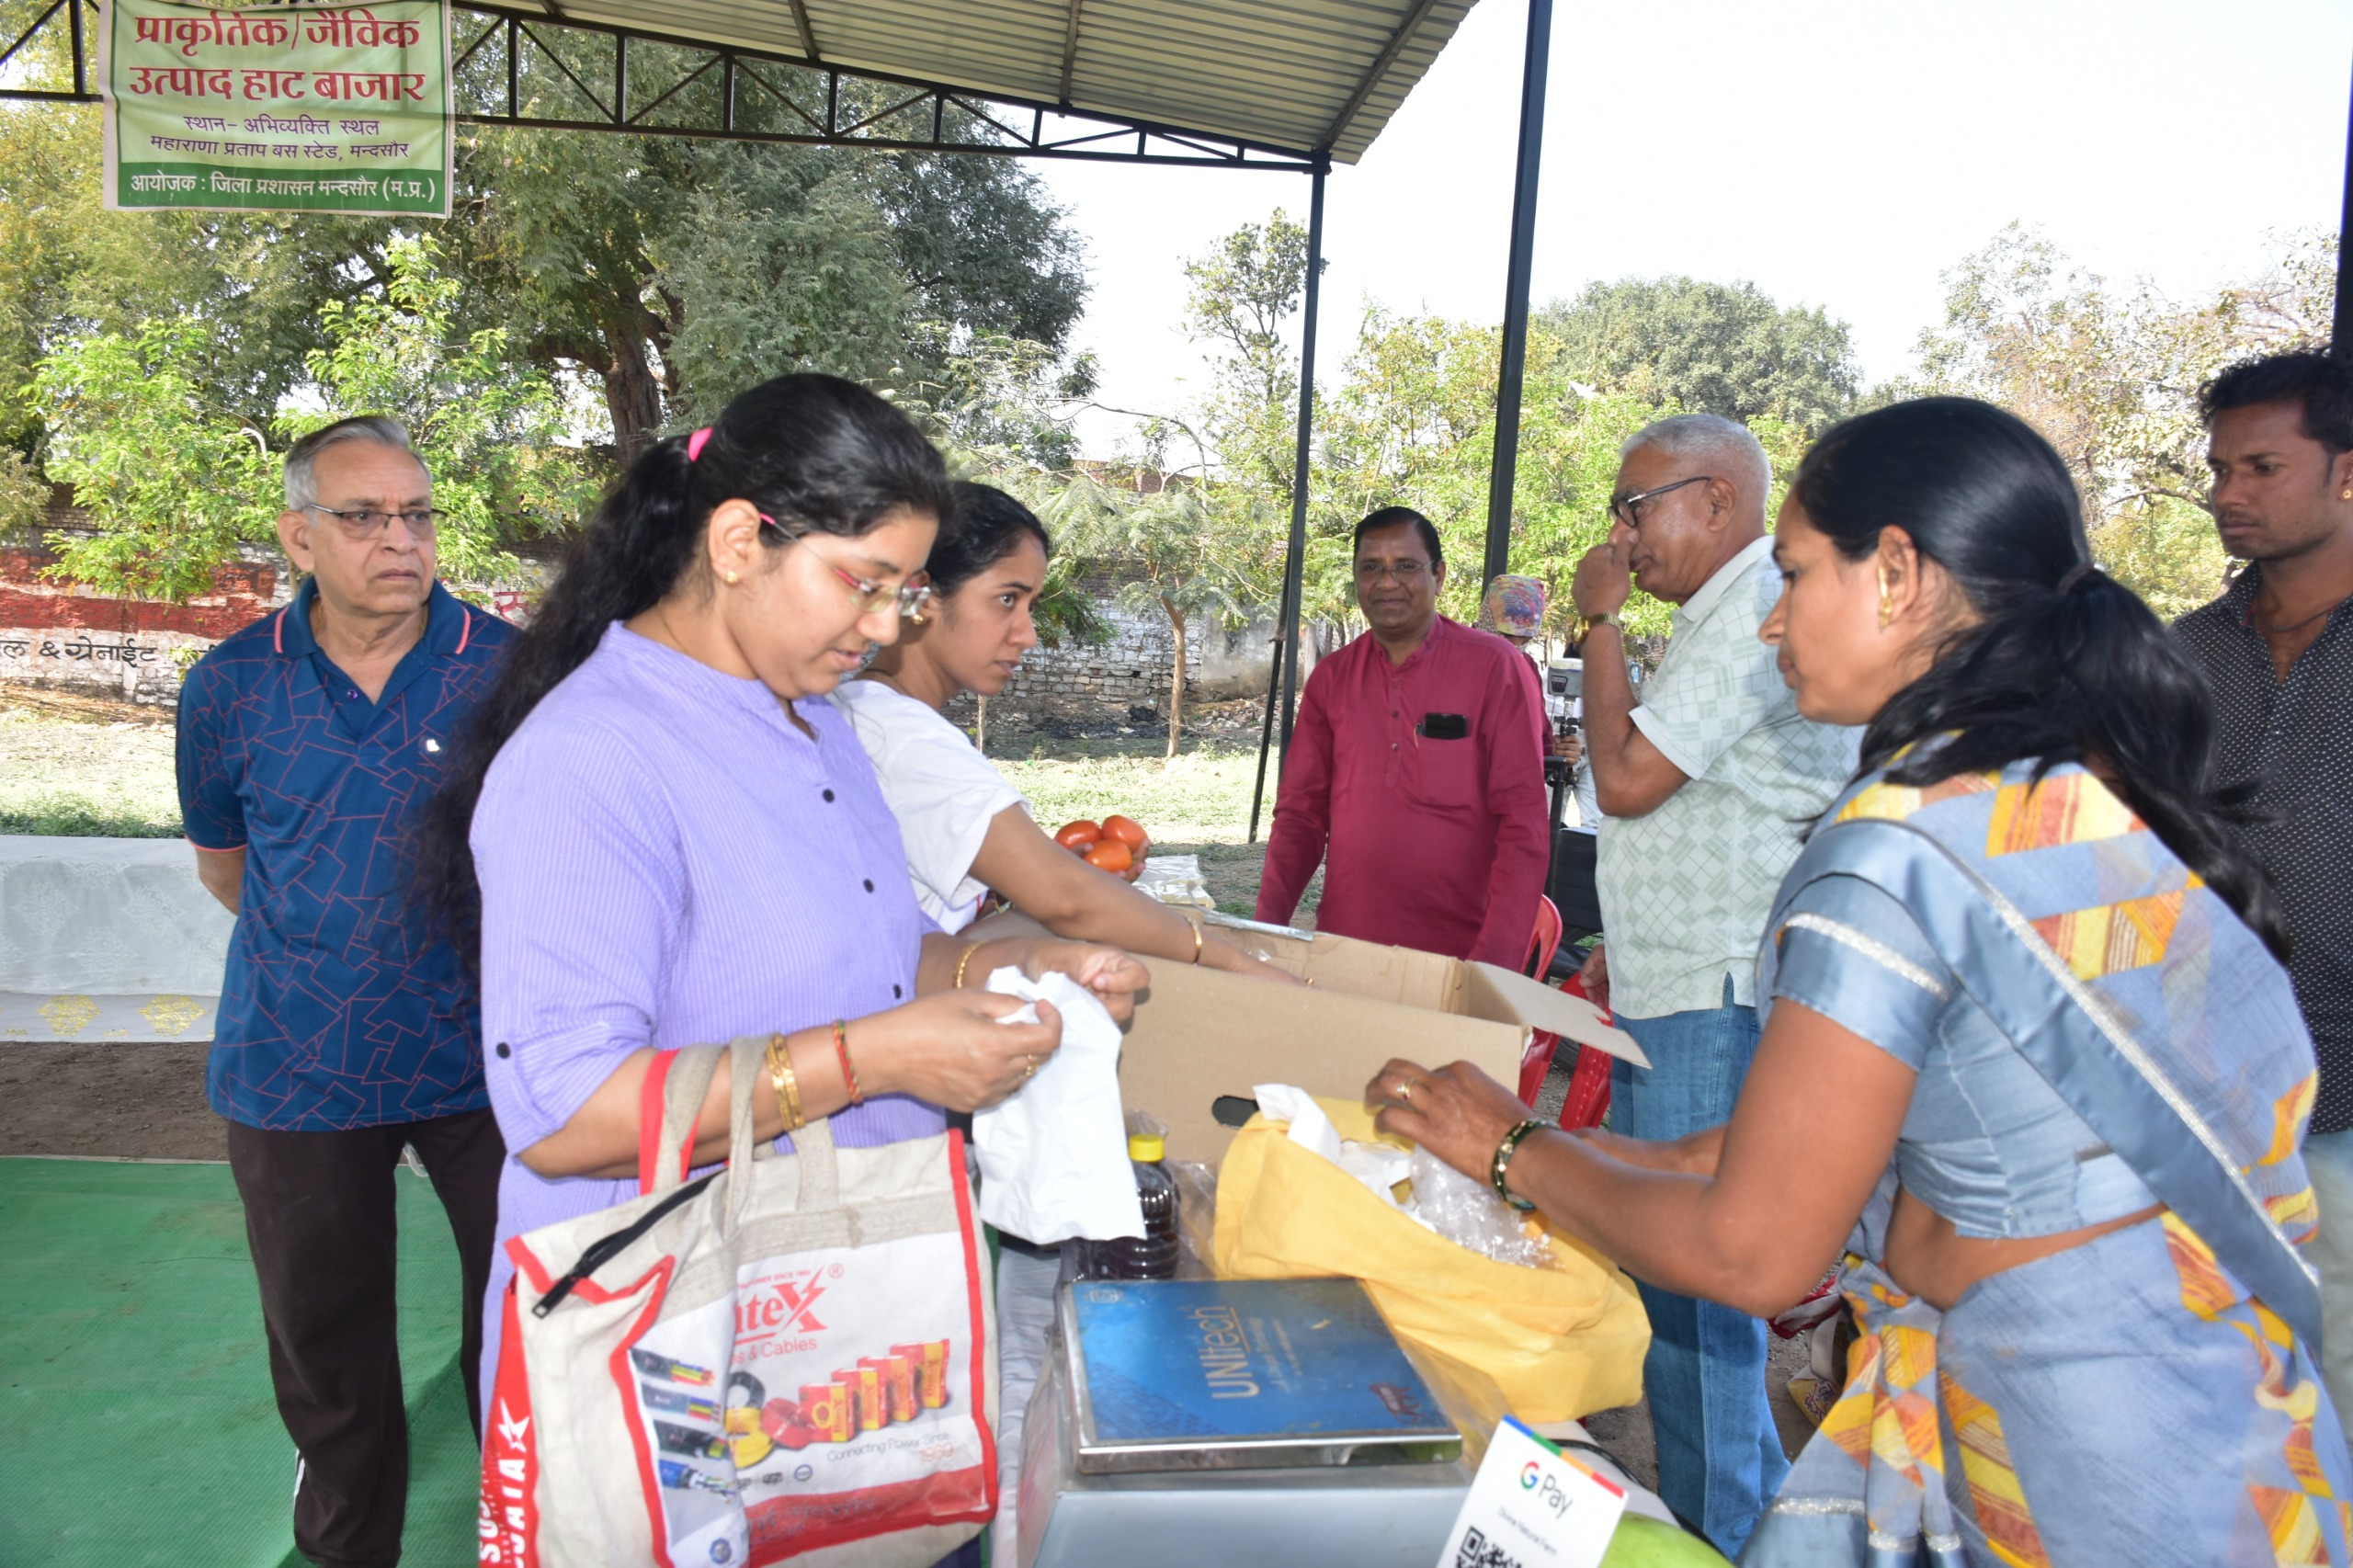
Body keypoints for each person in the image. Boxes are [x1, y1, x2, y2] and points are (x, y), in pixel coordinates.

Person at [1372, 397, 2348, 1566]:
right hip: (2236, 1436)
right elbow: (1892, 1144)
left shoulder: (1895, 854)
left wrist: (1510, 1149)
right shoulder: (2060, 796)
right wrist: (1566, 1150)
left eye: (1792, 575)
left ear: (1894, 573)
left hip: (2075, 1465)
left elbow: (1753, 1250)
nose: (1772, 617)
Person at [413, 377, 1147, 1447]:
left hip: (833, 1326)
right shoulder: (591, 758)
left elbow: (860, 957)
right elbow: (568, 1115)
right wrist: (876, 1058)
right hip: (673, 1344)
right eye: (863, 583)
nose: (885, 626)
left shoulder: (818, 721)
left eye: (905, 592)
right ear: (736, 542)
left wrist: (1012, 973)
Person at [176, 416, 515, 1568]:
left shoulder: (512, 670)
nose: (399, 539)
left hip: (491, 1054)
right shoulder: (229, 684)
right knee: (326, 1339)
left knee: (526, 1315)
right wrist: (336, 957)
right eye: (363, 516)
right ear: (298, 536)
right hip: (297, 1062)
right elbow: (227, 866)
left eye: (416, 514)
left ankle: (534, 1531)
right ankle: (346, 1547)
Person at [1565, 413, 1859, 1554]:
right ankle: (1744, 1520)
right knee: (1681, 1289)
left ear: (1717, 499)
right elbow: (1693, 801)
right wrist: (1627, 935)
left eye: (1636, 507)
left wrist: (1597, 622)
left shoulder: (1751, 606)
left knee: (1694, 1283)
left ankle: (1724, 1532)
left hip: (1717, 987)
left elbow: (1626, 778)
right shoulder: (1720, 611)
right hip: (1680, 972)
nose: (1622, 533)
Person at [837, 481, 1290, 979]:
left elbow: (943, 923)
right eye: (1006, 599)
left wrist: (1029, 878)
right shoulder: (899, 734)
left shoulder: (869, 713)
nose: (1028, 634)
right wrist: (1230, 959)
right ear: (922, 596)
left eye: (1029, 606)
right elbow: (1068, 899)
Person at [2177, 348, 2353, 1426]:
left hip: (2346, 1095)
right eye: (2218, 469)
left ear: (2345, 471)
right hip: (2200, 1090)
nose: (2227, 493)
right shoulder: (2181, 657)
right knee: (2220, 1405)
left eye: (2261, 467)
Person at [1256, 506, 1549, 968]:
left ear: (1439, 575)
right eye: (1371, 568)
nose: (1387, 582)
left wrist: (1493, 968)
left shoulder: (1496, 667)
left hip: (1461, 958)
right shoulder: (1332, 678)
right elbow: (1300, 815)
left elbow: (1524, 825)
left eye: (1406, 566)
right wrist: (1264, 929)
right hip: (1346, 948)